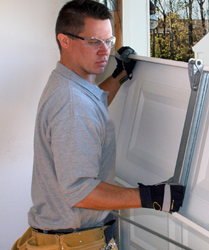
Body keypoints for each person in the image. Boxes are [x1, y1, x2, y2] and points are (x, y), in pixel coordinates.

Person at [12, 1, 184, 249]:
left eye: (108, 41)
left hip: (61, 236)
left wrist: (119, 76)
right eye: (94, 42)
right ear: (65, 40)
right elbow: (80, 191)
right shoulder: (72, 105)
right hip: (72, 242)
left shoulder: (66, 83)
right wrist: (151, 197)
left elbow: (92, 104)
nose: (104, 51)